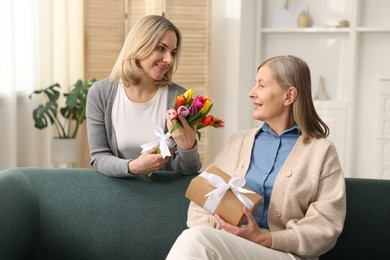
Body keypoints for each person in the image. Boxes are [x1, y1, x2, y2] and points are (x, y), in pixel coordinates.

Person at [166, 55, 346, 260]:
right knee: (197, 237)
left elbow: (325, 227)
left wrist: (265, 239)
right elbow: (200, 205)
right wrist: (226, 234)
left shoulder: (321, 152)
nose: (251, 93)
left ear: (289, 96)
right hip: (231, 250)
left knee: (196, 240)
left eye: (261, 85)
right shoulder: (237, 142)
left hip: (286, 255)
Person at [86, 15, 202, 177]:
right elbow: (99, 157)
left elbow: (189, 171)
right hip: (118, 193)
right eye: (161, 48)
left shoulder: (180, 98)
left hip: (164, 196)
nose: (169, 60)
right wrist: (133, 166)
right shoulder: (101, 93)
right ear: (139, 45)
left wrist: (188, 148)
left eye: (173, 52)